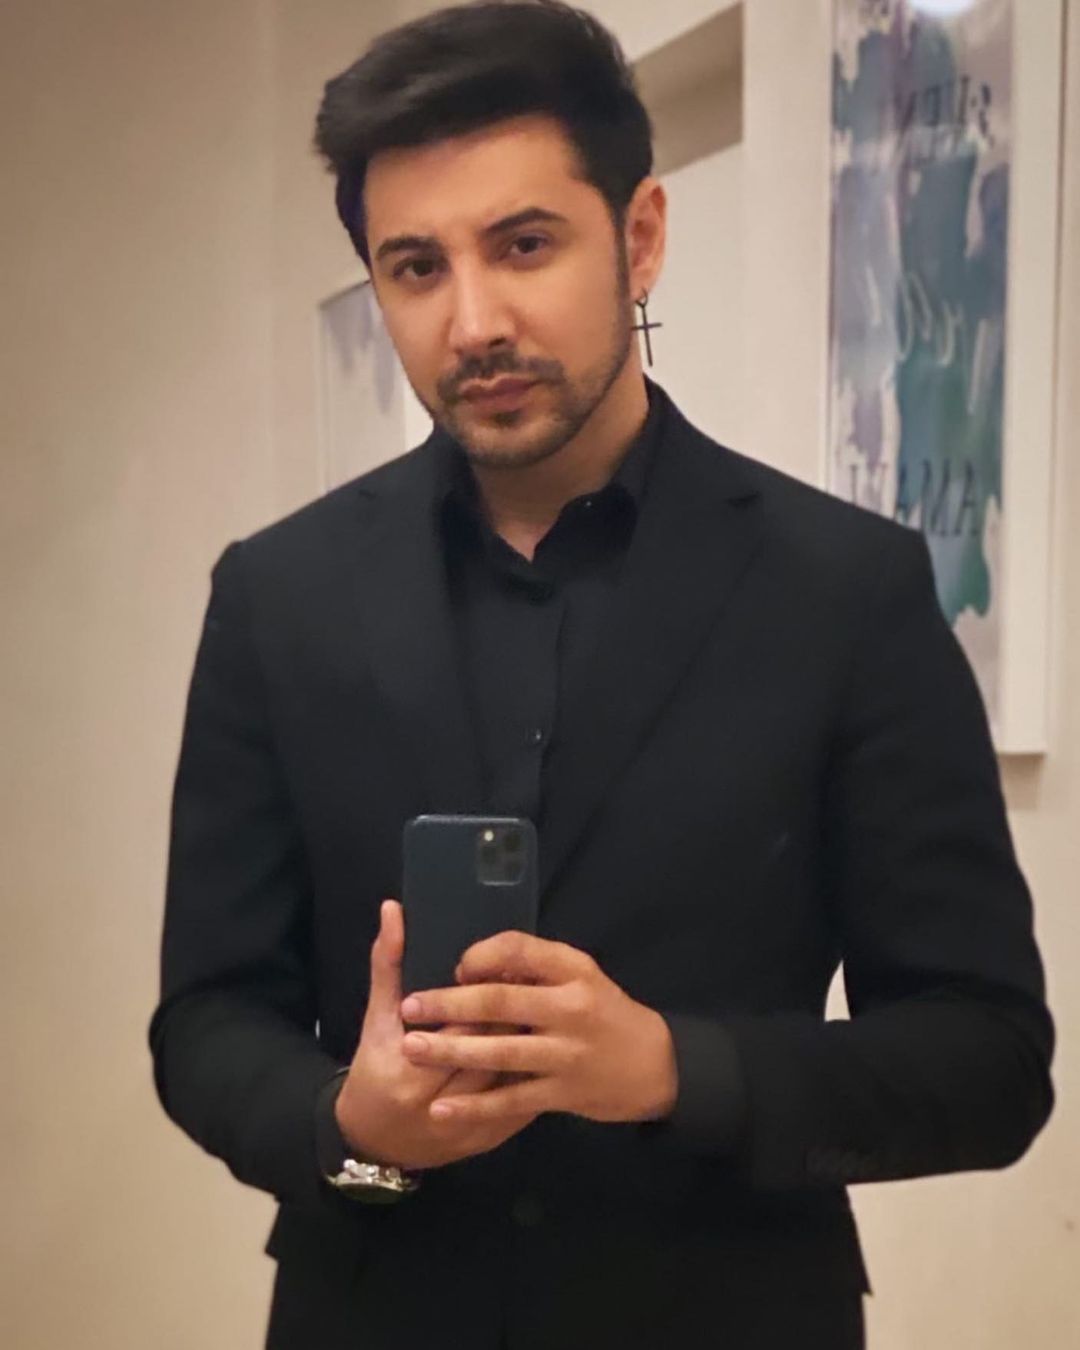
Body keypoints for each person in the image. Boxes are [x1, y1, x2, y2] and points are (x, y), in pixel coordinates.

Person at [148, 4, 1055, 1347]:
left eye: (524, 244)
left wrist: (676, 1069)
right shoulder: (277, 597)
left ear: (640, 236)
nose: (473, 321)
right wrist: (351, 1125)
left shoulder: (845, 590)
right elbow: (209, 1019)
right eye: (415, 267)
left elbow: (988, 1058)